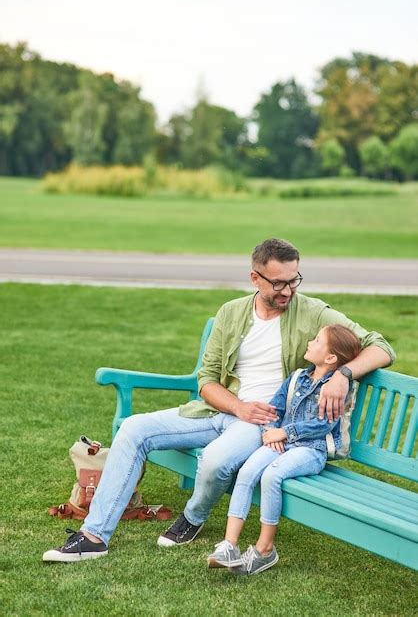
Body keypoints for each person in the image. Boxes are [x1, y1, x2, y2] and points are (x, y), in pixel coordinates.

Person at [43, 238, 395, 562]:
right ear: (255, 278)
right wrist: (236, 405)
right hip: (218, 410)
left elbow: (381, 346)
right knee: (134, 429)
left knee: (214, 459)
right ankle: (94, 536)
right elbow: (207, 380)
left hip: (262, 423)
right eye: (278, 283)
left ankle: (192, 517)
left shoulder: (314, 312)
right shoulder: (231, 313)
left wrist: (342, 375)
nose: (288, 290)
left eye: (294, 280)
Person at [207, 324, 361, 576]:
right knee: (246, 472)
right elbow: (274, 410)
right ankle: (229, 546)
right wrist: (271, 431)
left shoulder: (335, 388)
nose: (310, 342)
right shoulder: (297, 377)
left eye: (317, 340)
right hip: (281, 443)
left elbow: (323, 423)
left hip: (311, 450)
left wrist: (285, 433)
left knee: (271, 475)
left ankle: (264, 550)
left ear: (331, 357)